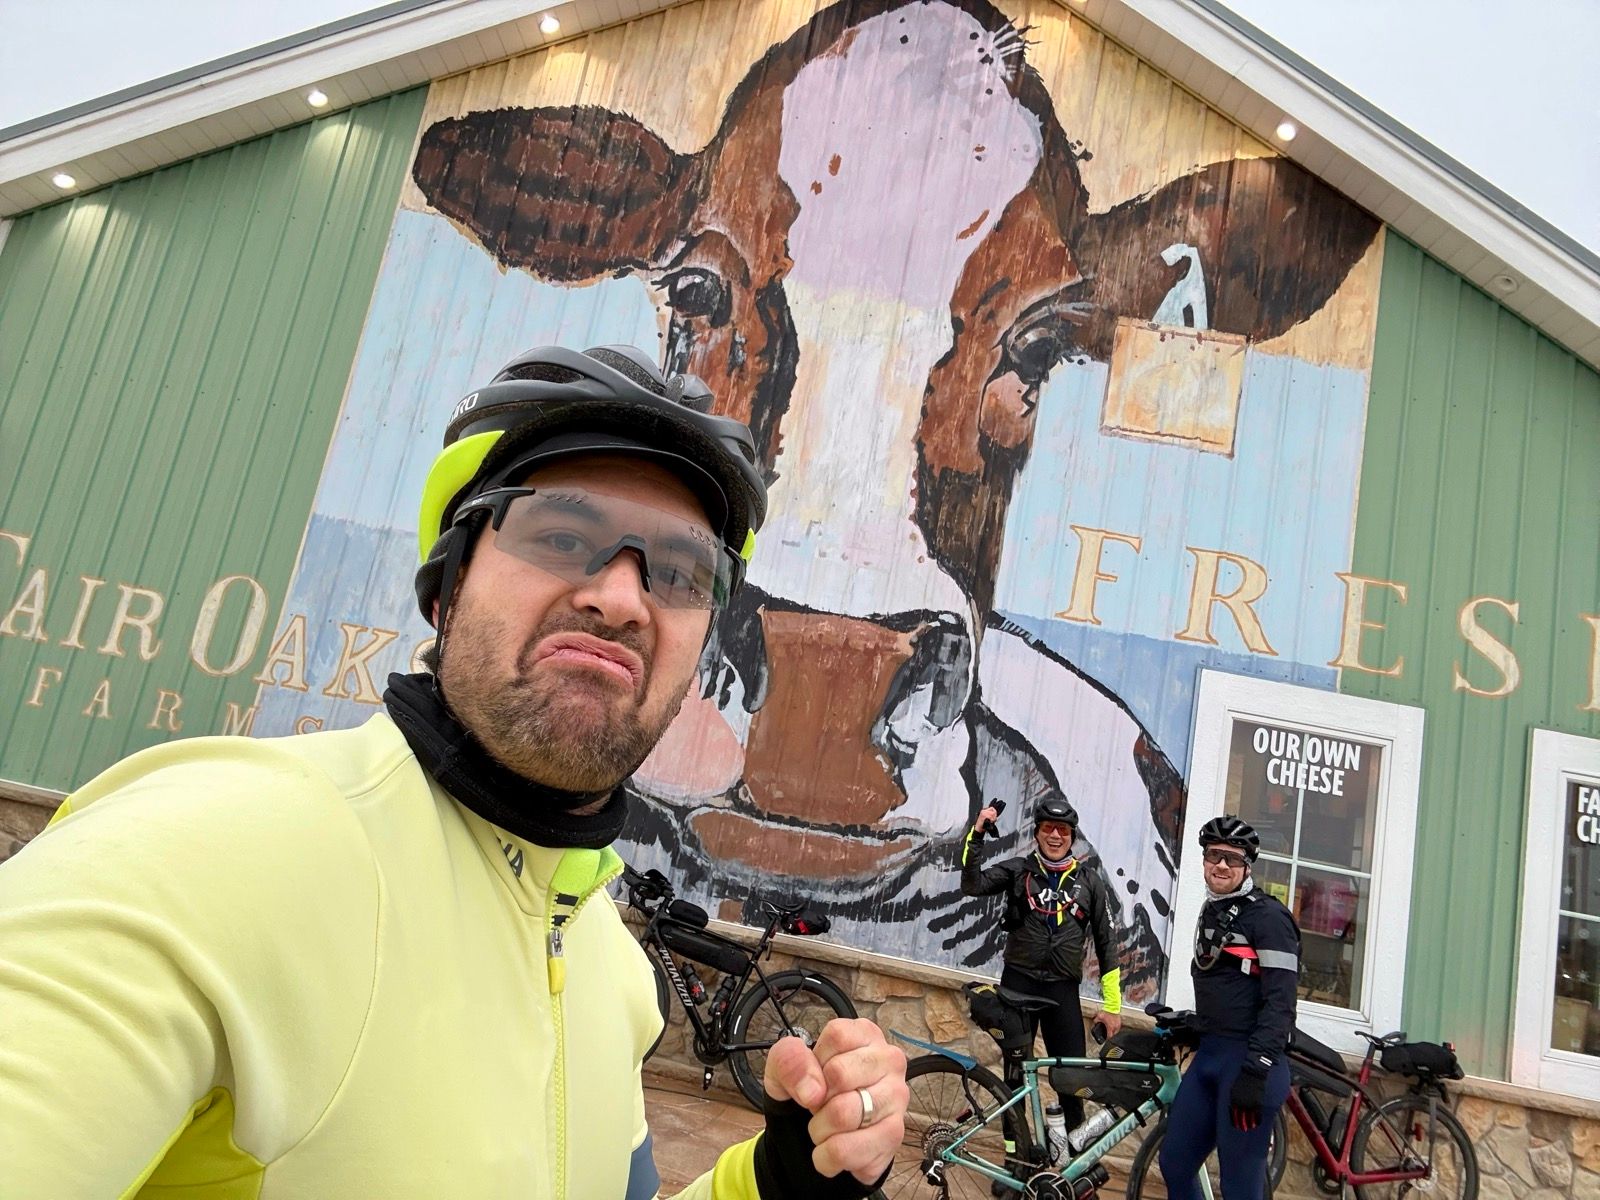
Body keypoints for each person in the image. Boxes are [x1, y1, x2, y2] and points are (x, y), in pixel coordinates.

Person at [0, 344, 908, 1198]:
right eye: (562, 535)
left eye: (678, 573)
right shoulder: (207, 854)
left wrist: (779, 1179)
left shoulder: (613, 971)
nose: (621, 598)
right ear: (449, 586)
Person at [960, 794, 1123, 1137]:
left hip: (1061, 992)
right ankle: (1015, 1158)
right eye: (1048, 827)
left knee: (1072, 1080)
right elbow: (972, 884)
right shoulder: (1018, 870)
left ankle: (1073, 1159)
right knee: (1015, 1080)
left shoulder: (1090, 882)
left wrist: (1112, 1005)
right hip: (1017, 985)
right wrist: (977, 834)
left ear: (1072, 837)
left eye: (1063, 830)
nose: (1055, 835)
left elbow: (1107, 943)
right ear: (1036, 833)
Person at [1159, 815, 1300, 1200]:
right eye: (1213, 855)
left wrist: (1256, 1070)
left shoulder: (1270, 918)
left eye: (1232, 859)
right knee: (1174, 1164)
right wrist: (1196, 1023)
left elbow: (1281, 1002)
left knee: (1239, 1186)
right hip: (1211, 1057)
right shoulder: (1214, 909)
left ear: (1247, 866)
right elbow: (1226, 982)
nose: (1221, 865)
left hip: (1249, 1066)